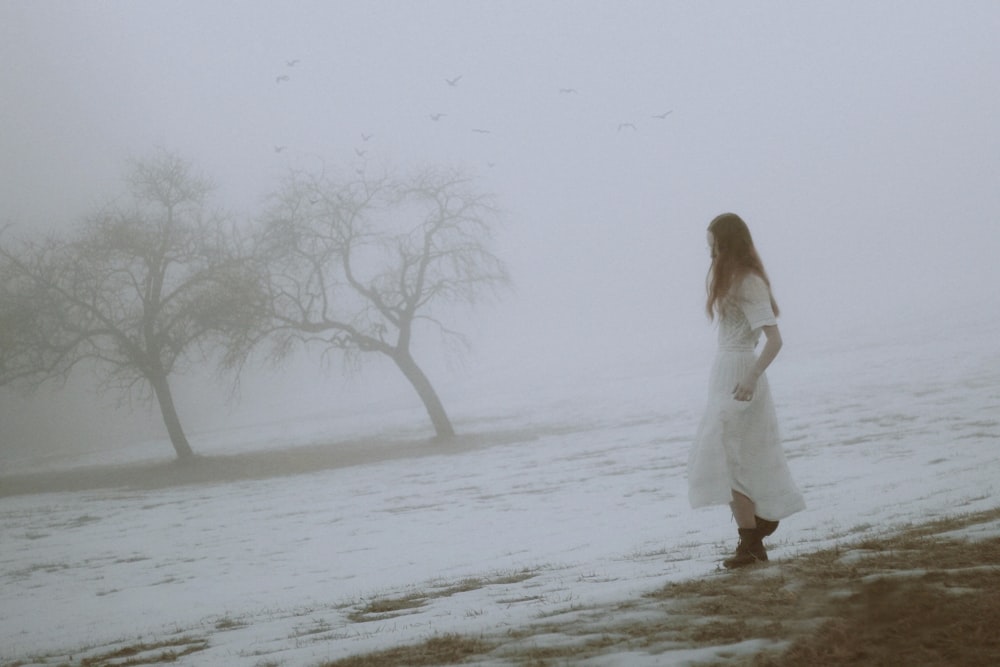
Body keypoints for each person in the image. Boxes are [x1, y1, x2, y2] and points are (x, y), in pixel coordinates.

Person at [687, 213, 805, 569]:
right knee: (729, 457)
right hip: (724, 372)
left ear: (729, 243)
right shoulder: (727, 279)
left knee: (730, 457)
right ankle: (756, 532)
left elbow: (774, 340)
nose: (711, 252)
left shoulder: (749, 282)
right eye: (709, 246)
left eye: (715, 245)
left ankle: (752, 540)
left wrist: (752, 378)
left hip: (742, 374)